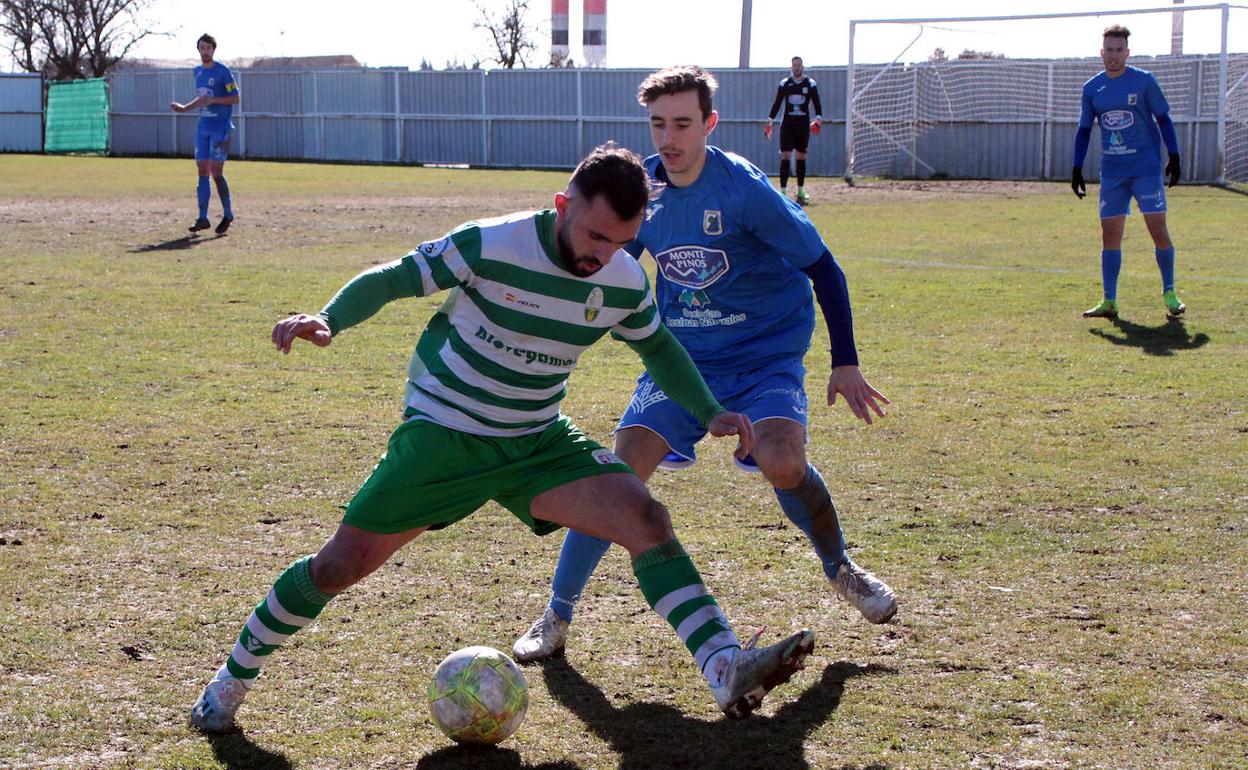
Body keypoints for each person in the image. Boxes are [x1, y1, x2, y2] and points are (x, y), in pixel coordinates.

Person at [189, 145, 817, 733]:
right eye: (595, 235)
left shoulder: (623, 279)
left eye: (622, 242)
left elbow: (657, 344)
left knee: (646, 517)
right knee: (337, 566)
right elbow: (394, 277)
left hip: (536, 442)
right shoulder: (491, 244)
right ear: (562, 205)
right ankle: (230, 681)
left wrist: (709, 411)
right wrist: (328, 318)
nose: (602, 255)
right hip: (444, 440)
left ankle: (725, 667)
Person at [513, 66, 896, 666]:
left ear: (709, 124)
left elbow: (824, 268)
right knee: (617, 477)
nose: (669, 138)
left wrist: (844, 361)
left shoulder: (742, 190)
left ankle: (840, 567)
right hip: (685, 361)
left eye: (683, 124)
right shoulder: (645, 189)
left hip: (764, 357)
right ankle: (556, 614)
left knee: (784, 463)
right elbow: (614, 253)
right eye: (658, 123)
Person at [1072, 25, 1185, 320]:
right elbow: (1084, 131)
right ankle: (1109, 301)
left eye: (1119, 50)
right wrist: (1076, 167)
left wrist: (1173, 156)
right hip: (1112, 173)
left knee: (1157, 230)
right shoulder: (1092, 88)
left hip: (1145, 170)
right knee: (1110, 235)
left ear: (1127, 52)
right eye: (1109, 50)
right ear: (1101, 52)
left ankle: (1170, 293)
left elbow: (1164, 119)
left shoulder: (1144, 81)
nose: (1113, 55)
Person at [170, 33, 239, 235]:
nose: (205, 51)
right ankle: (203, 218)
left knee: (217, 173)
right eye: (202, 48)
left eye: (208, 48)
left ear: (213, 50)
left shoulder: (223, 71)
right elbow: (202, 99)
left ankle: (228, 214)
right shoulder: (197, 72)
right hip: (203, 128)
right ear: (198, 49)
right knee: (202, 171)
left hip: (221, 128)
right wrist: (184, 108)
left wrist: (215, 100)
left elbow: (235, 98)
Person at [765, 56, 823, 205]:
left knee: (801, 156)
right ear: (791, 67)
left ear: (803, 67)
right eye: (794, 65)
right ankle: (783, 191)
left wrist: (818, 118)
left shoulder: (810, 84)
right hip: (788, 125)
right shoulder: (785, 84)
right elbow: (777, 103)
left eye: (799, 65)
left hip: (803, 125)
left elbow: (817, 103)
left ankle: (801, 190)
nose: (797, 67)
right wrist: (770, 120)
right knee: (785, 156)